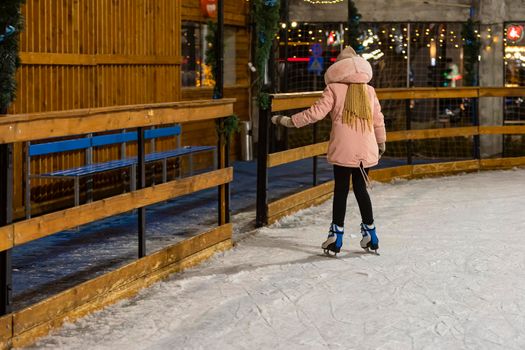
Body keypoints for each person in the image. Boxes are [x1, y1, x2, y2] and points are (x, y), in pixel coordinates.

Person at [271, 46, 386, 255]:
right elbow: (378, 119)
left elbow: (315, 113)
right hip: (366, 149)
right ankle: (371, 235)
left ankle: (336, 237)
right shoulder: (369, 90)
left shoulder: (334, 89)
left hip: (344, 149)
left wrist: (289, 121)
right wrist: (381, 142)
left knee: (341, 190)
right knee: (361, 190)